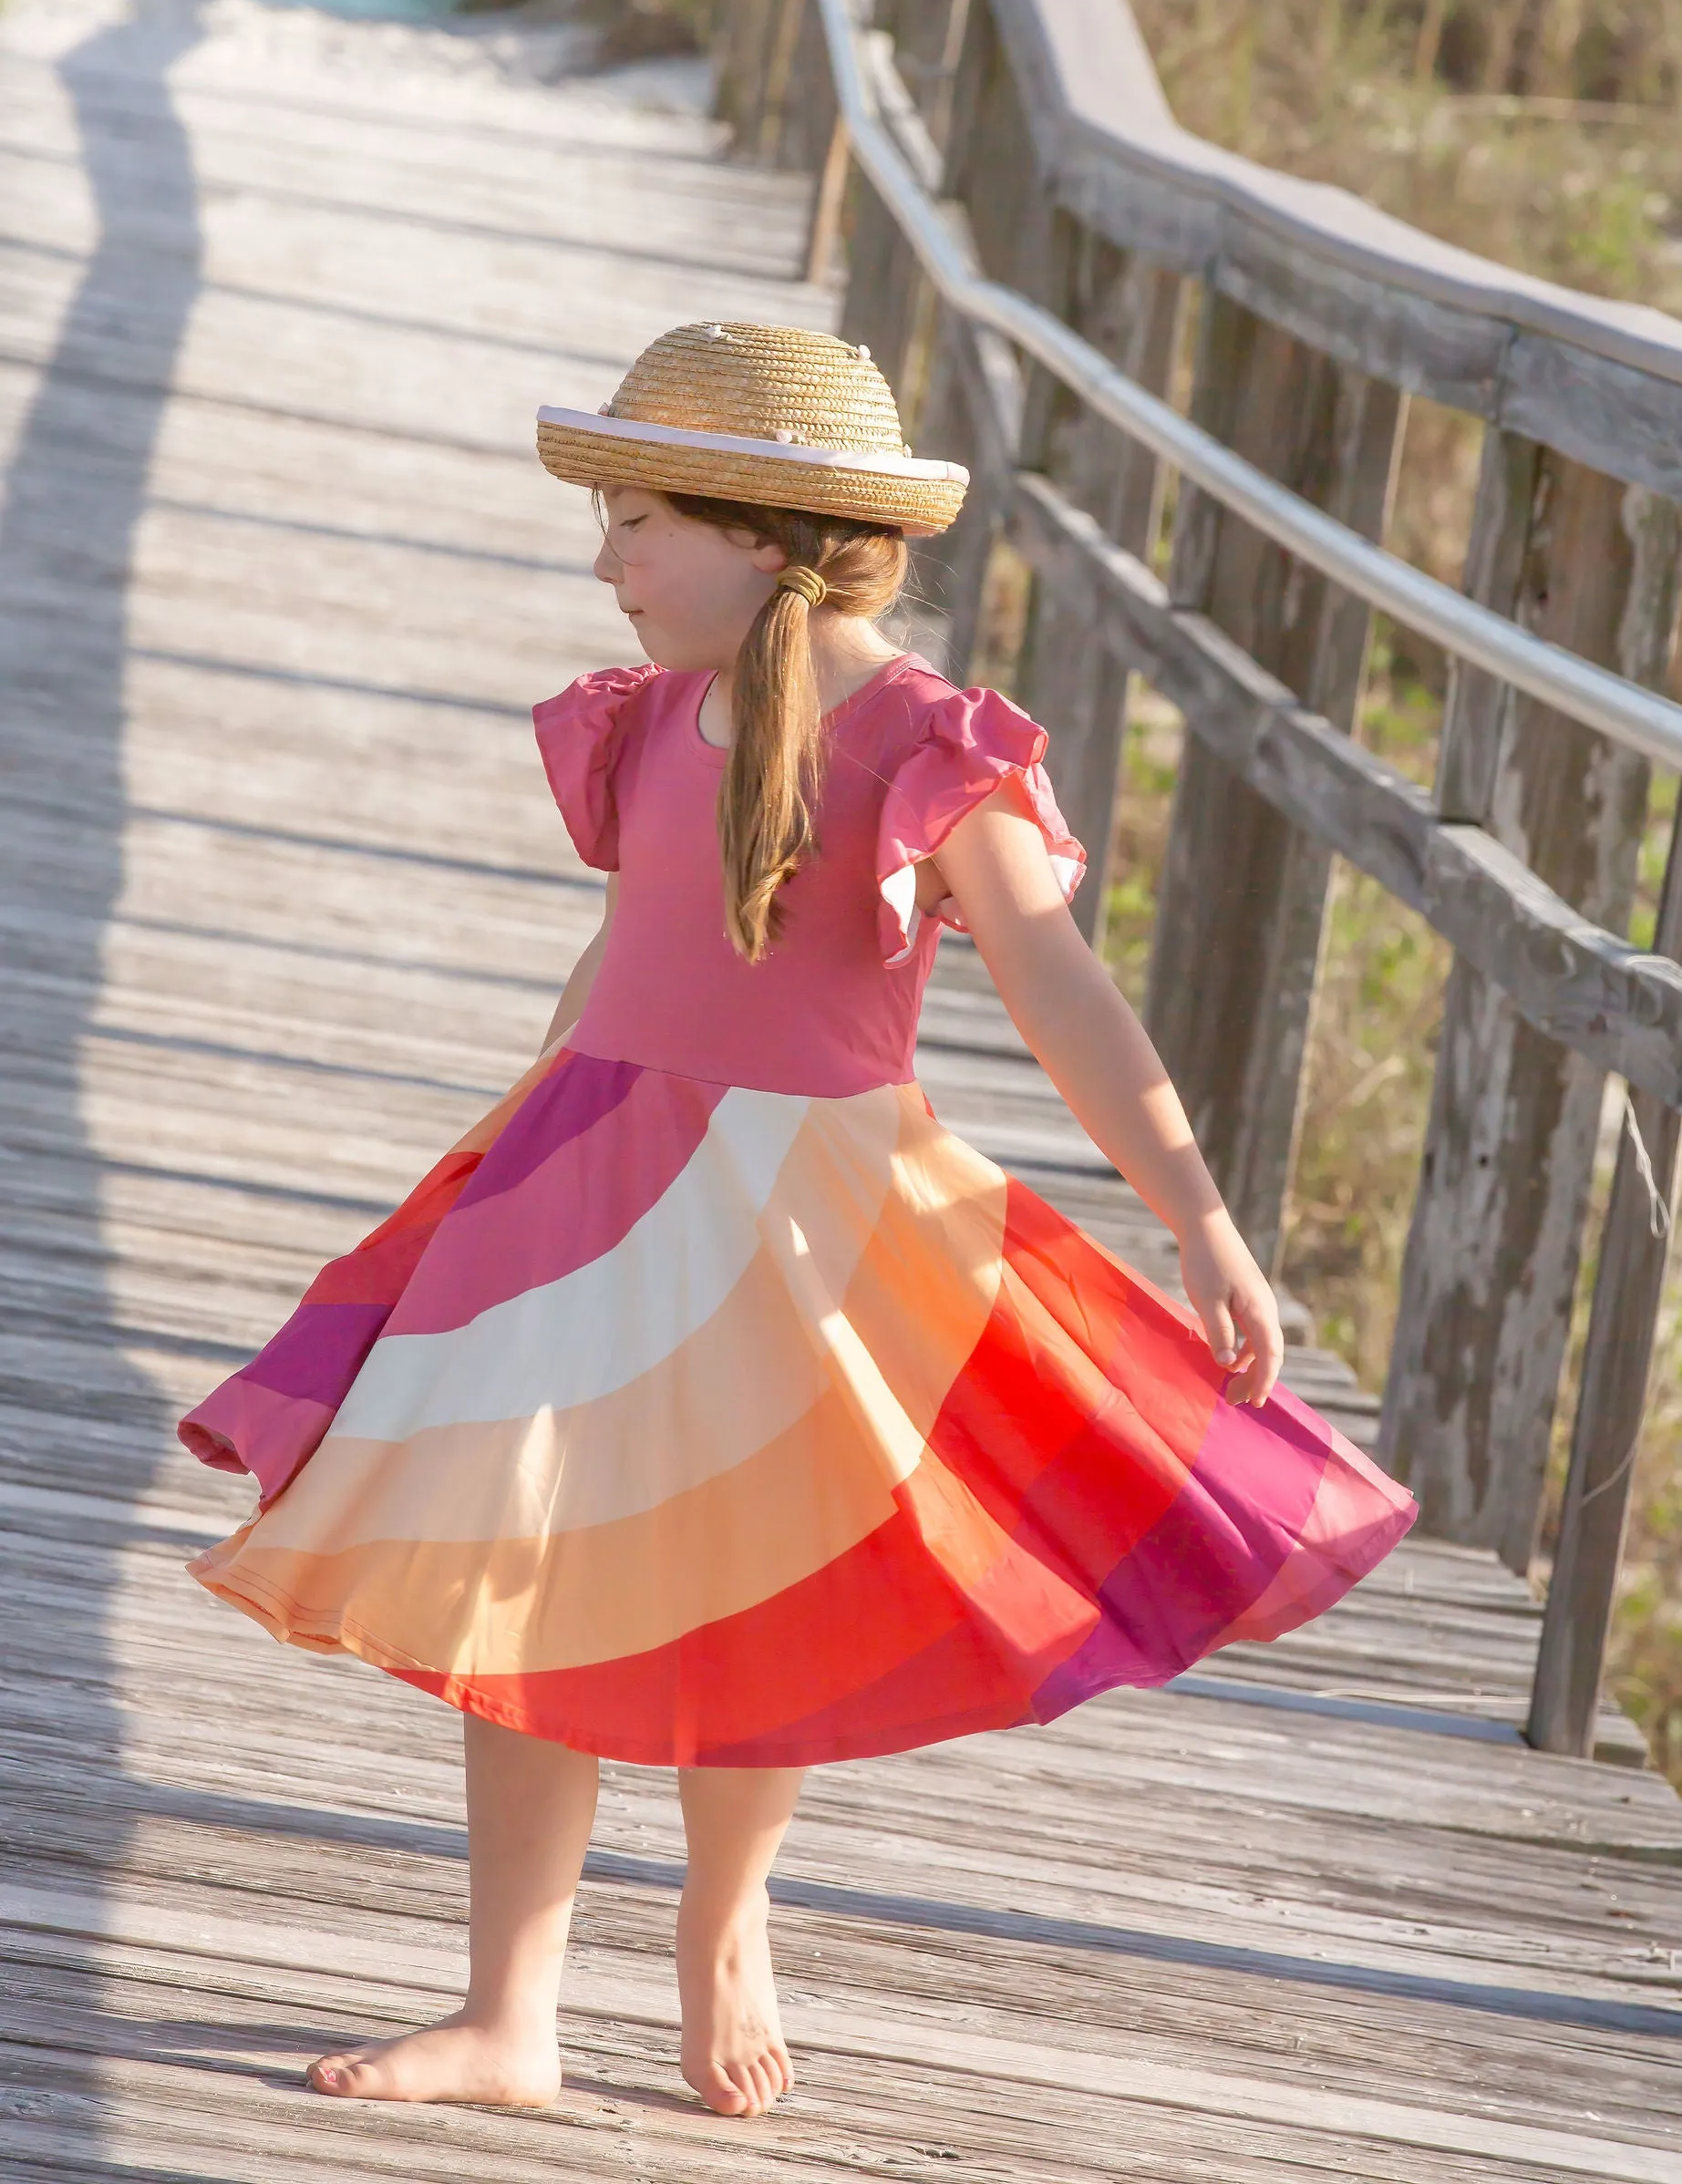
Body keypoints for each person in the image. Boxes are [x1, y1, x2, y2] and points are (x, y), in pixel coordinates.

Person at [180, 319, 1413, 2121]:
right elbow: (627, 947)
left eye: (635, 526)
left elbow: (1063, 992)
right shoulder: (658, 721)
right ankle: (510, 2012)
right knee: (521, 1567)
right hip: (585, 1195)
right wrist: (509, 1147)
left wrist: (1200, 1221)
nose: (605, 565)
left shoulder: (923, 741)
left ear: (758, 533)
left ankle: (723, 1921)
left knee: (756, 1576)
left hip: (803, 1220)